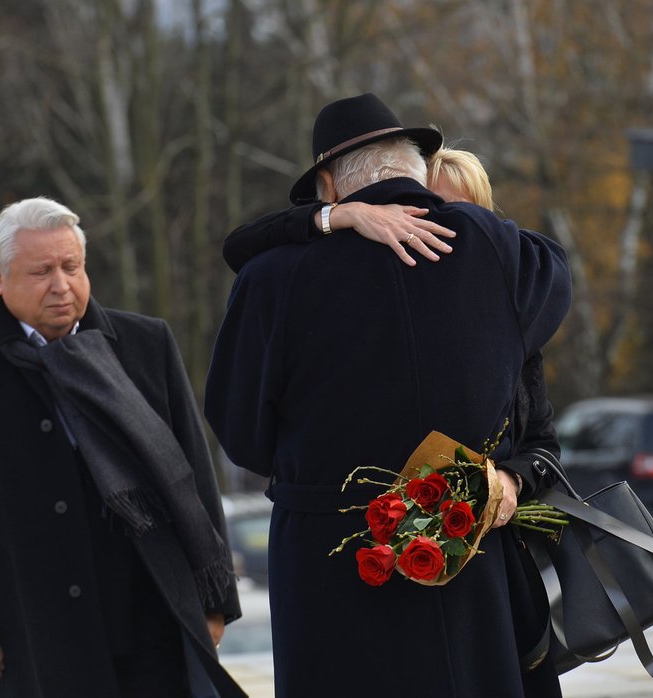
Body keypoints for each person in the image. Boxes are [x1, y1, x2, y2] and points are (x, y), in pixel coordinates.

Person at [205, 93, 572, 697]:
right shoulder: (495, 246)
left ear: (327, 184)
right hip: (465, 559)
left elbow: (241, 433)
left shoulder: (271, 279)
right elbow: (550, 287)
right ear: (419, 168)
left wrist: (327, 223)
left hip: (331, 562)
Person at [0, 197, 245, 698]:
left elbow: (193, 475)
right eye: (41, 271)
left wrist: (214, 600)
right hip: (31, 630)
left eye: (72, 267)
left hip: (153, 611)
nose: (61, 286)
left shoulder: (144, 342)